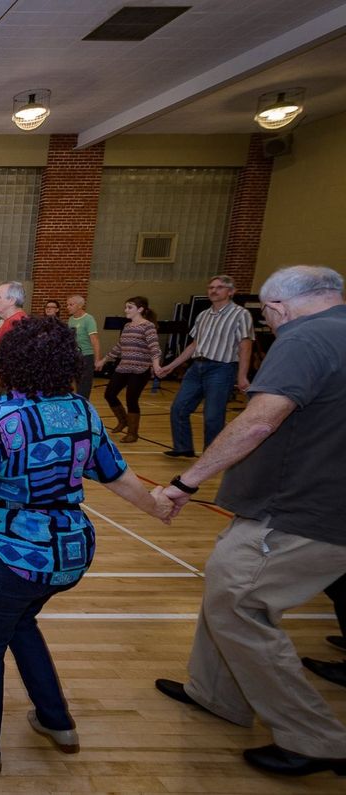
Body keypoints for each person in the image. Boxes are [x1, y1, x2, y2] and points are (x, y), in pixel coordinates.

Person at [0, 316, 172, 776]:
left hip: (12, 553)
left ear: (12, 361)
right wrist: (156, 508)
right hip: (71, 552)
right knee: (21, 624)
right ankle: (56, 721)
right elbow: (117, 475)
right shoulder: (82, 410)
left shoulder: (5, 418)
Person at [153, 266, 346, 777]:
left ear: (277, 308)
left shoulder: (305, 339)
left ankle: (317, 739)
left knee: (239, 602)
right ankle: (216, 693)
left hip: (297, 510)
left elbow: (260, 418)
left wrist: (185, 482)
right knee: (226, 588)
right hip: (315, 503)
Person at [158, 275, 254, 457]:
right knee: (179, 407)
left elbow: (245, 345)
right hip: (197, 367)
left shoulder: (241, 315)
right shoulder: (203, 315)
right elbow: (194, 345)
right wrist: (172, 365)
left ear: (231, 292)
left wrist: (242, 376)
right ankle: (183, 447)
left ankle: (212, 453)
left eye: (219, 287)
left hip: (222, 368)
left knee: (213, 415)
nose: (213, 290)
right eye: (211, 287)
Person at [95, 297, 161, 444]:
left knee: (132, 399)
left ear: (140, 309)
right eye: (126, 307)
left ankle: (133, 433)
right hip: (124, 367)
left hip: (140, 369)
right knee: (109, 394)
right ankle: (123, 420)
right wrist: (103, 360)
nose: (126, 310)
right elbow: (119, 347)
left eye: (129, 307)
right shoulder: (127, 326)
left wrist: (156, 365)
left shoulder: (148, 326)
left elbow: (154, 348)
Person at [66, 295, 100, 400]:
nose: (68, 307)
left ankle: (84, 408)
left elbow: (95, 340)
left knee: (83, 387)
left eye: (71, 304)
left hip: (86, 356)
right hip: (74, 357)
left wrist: (97, 359)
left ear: (80, 306)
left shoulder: (88, 319)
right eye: (67, 304)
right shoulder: (71, 319)